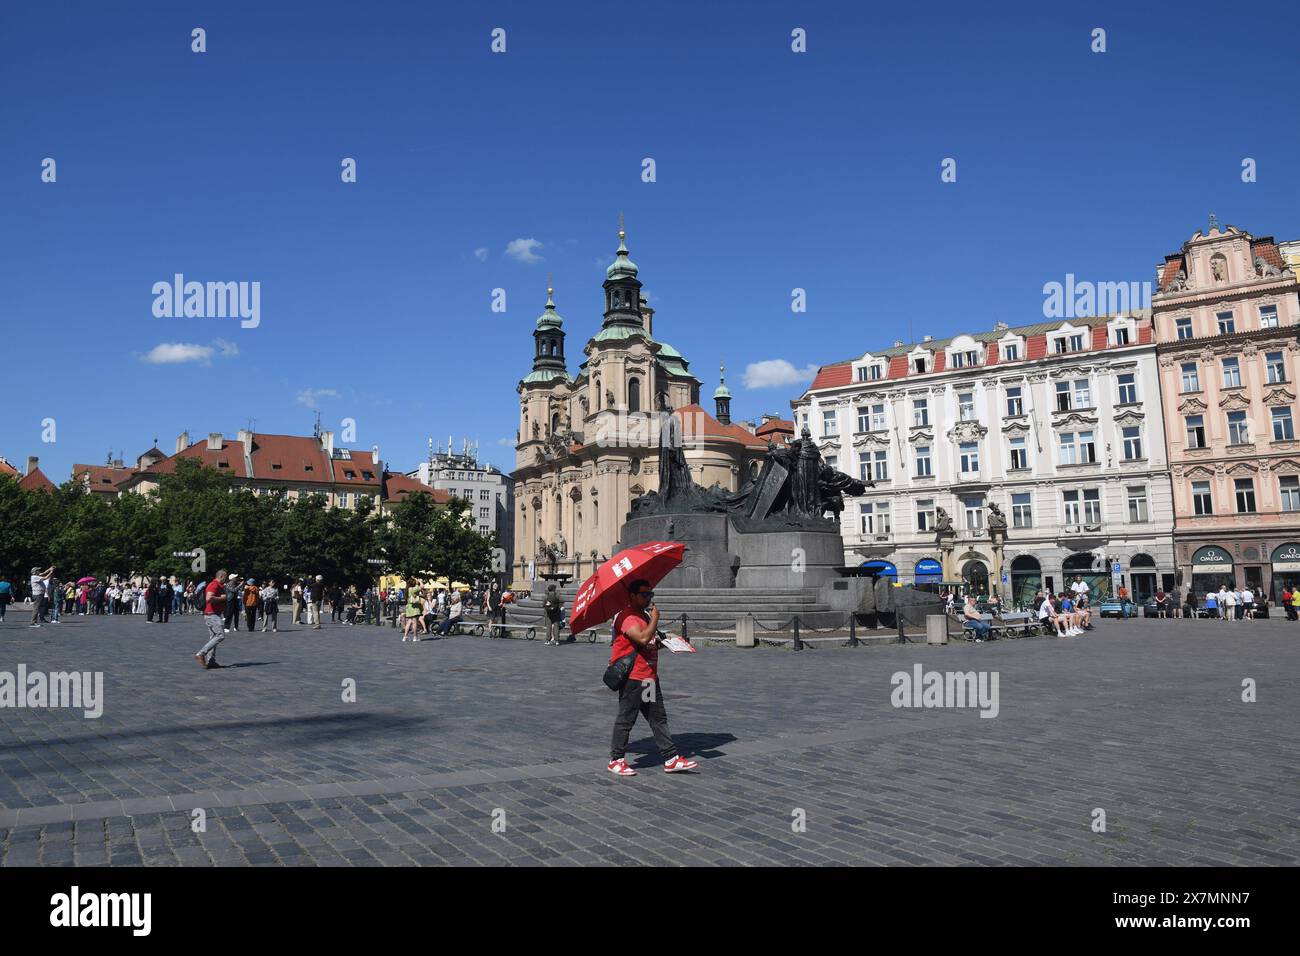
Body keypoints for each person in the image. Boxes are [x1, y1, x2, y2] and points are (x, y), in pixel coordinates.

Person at [607, 579, 698, 777]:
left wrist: (665, 643)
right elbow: (641, 638)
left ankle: (671, 758)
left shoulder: (643, 615)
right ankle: (616, 760)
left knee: (657, 718)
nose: (649, 598)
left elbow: (648, 641)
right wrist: (655, 619)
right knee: (626, 719)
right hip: (633, 678)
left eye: (651, 594)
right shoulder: (627, 617)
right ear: (632, 596)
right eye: (644, 594)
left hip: (648, 677)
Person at [194, 570, 230, 669]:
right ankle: (201, 653)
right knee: (220, 635)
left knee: (213, 637)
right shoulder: (214, 584)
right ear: (221, 576)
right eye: (225, 577)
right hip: (212, 614)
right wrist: (222, 598)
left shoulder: (218, 585)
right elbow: (209, 598)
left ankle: (211, 661)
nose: (226, 579)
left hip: (212, 614)